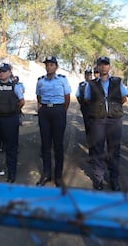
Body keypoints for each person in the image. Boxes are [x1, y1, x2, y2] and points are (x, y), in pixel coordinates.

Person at [84, 56, 128, 191]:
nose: (103, 67)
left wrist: (112, 109)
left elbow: (123, 98)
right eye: (100, 65)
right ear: (97, 67)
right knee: (98, 148)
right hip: (98, 120)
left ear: (109, 67)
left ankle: (114, 179)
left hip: (114, 120)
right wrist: (100, 108)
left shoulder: (117, 81)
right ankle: (98, 178)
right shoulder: (91, 84)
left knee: (114, 149)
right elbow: (87, 100)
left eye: (106, 64)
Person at [36, 56, 71, 187]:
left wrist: (62, 111)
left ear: (56, 67)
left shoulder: (62, 80)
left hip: (58, 111)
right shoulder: (40, 81)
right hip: (45, 112)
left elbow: (67, 98)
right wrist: (42, 109)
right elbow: (38, 96)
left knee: (58, 145)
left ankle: (58, 176)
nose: (49, 67)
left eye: (51, 65)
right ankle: (46, 174)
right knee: (45, 144)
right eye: (47, 65)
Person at [76, 68, 93, 138]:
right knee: (87, 123)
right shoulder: (81, 85)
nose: (88, 76)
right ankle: (89, 138)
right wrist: (81, 103)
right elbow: (77, 95)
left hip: (94, 107)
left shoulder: (95, 84)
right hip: (85, 107)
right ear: (84, 76)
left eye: (89, 75)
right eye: (87, 75)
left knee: (95, 123)